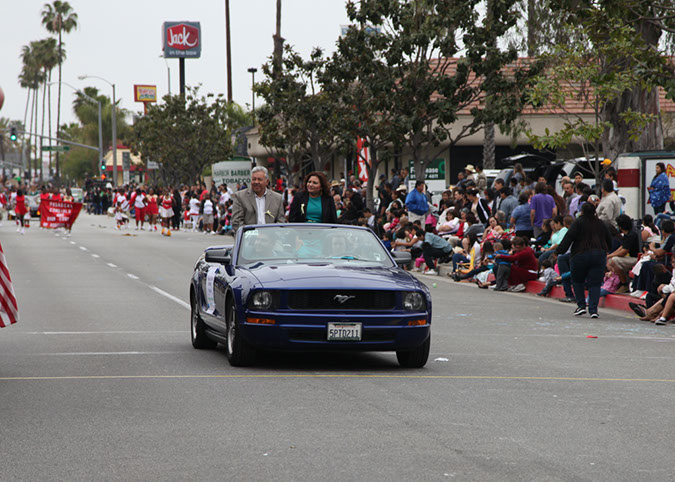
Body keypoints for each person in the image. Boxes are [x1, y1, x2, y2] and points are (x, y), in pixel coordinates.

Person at [555, 202, 613, 318]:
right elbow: (609, 239)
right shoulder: (600, 224)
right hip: (598, 255)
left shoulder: (578, 222)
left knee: (577, 281)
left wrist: (558, 251)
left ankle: (581, 306)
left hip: (580, 255)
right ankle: (593, 310)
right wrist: (606, 250)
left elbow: (568, 238)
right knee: (595, 284)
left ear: (582, 211)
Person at [231, 166, 286, 232]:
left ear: (267, 182)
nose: (256, 182)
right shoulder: (240, 196)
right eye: (254, 179)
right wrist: (253, 235)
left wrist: (270, 235)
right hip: (249, 238)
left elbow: (281, 221)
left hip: (271, 238)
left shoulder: (277, 198)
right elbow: (236, 222)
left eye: (259, 179)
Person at [606, 214, 640, 293]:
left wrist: (610, 255)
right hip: (630, 257)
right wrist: (609, 256)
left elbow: (623, 252)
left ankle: (624, 284)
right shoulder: (627, 234)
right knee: (609, 261)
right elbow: (622, 247)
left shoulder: (632, 235)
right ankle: (616, 279)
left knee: (614, 260)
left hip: (634, 258)